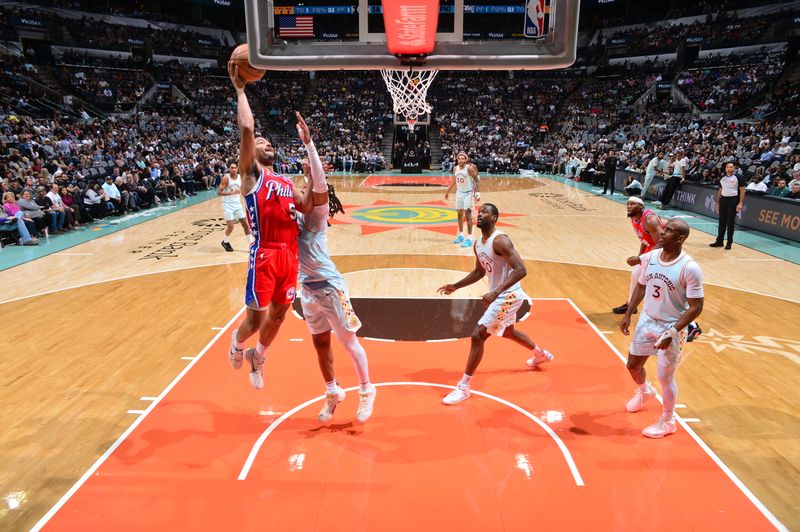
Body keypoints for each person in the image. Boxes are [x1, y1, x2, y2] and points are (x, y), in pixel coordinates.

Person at [227, 65, 313, 390]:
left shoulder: (285, 180)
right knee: (257, 318)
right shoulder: (251, 175)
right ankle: (237, 344)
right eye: (261, 142)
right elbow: (247, 129)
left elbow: (306, 205)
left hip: (290, 255)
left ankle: (258, 356)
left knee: (279, 315)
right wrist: (240, 90)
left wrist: (310, 173)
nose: (265, 143)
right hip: (264, 254)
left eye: (268, 142)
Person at [295, 118, 376, 423]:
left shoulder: (316, 218)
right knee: (320, 344)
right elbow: (301, 191)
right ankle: (333, 391)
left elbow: (317, 186)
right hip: (307, 289)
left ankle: (368, 389)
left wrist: (309, 144)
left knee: (348, 342)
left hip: (330, 286)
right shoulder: (297, 214)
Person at [436, 203, 554, 406]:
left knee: (478, 335)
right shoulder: (478, 244)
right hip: (501, 295)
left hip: (508, 295)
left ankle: (464, 387)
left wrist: (496, 291)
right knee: (508, 332)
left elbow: (521, 270)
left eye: (485, 213)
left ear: (495, 218)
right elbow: (479, 272)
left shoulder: (500, 240)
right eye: (479, 212)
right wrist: (456, 286)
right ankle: (540, 354)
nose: (479, 215)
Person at [620, 219, 704, 438]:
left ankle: (668, 420)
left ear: (680, 238)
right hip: (647, 319)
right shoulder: (651, 258)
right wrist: (629, 313)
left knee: (665, 377)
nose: (662, 234)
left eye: (668, 231)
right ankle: (645, 391)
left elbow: (696, 307)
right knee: (633, 365)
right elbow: (641, 285)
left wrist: (673, 332)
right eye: (664, 229)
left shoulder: (690, 268)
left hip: (671, 325)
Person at [444, 152, 480, 248]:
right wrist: (447, 191)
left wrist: (477, 193)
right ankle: (460, 235)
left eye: (463, 158)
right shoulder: (455, 168)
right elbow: (454, 181)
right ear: (457, 159)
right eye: (459, 158)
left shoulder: (469, 168)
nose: (461, 160)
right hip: (459, 193)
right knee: (459, 214)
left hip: (468, 193)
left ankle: (469, 238)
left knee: (468, 215)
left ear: (466, 159)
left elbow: (477, 180)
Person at [218, 162, 254, 252]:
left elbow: (242, 189)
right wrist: (229, 193)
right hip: (227, 205)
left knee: (245, 225)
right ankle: (225, 242)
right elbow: (219, 192)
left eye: (235, 168)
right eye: (232, 167)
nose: (233, 169)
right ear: (229, 169)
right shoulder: (226, 178)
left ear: (237, 169)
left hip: (237, 204)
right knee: (231, 227)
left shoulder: (240, 178)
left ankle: (252, 245)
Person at [710, 162, 746, 250]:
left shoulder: (739, 177)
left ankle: (729, 243)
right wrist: (717, 203)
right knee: (721, 222)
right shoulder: (722, 178)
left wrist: (740, 203)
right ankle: (719, 241)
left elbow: (742, 191)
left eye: (731, 167)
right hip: (723, 200)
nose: (729, 169)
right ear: (725, 168)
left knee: (730, 223)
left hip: (733, 200)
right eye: (727, 167)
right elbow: (720, 190)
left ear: (734, 168)